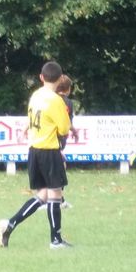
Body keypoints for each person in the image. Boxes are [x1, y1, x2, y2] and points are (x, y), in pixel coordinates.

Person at [0, 61, 73, 249]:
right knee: (56, 193)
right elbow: (64, 128)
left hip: (34, 149)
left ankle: (10, 224)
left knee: (43, 194)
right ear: (60, 78)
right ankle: (56, 240)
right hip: (49, 149)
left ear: (41, 77)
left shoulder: (35, 95)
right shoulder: (56, 100)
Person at [56, 75, 74, 208]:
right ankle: (58, 199)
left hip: (50, 138)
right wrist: (75, 131)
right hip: (57, 139)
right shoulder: (67, 102)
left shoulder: (50, 99)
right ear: (68, 89)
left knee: (59, 165)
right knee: (61, 166)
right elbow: (66, 121)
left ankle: (58, 198)